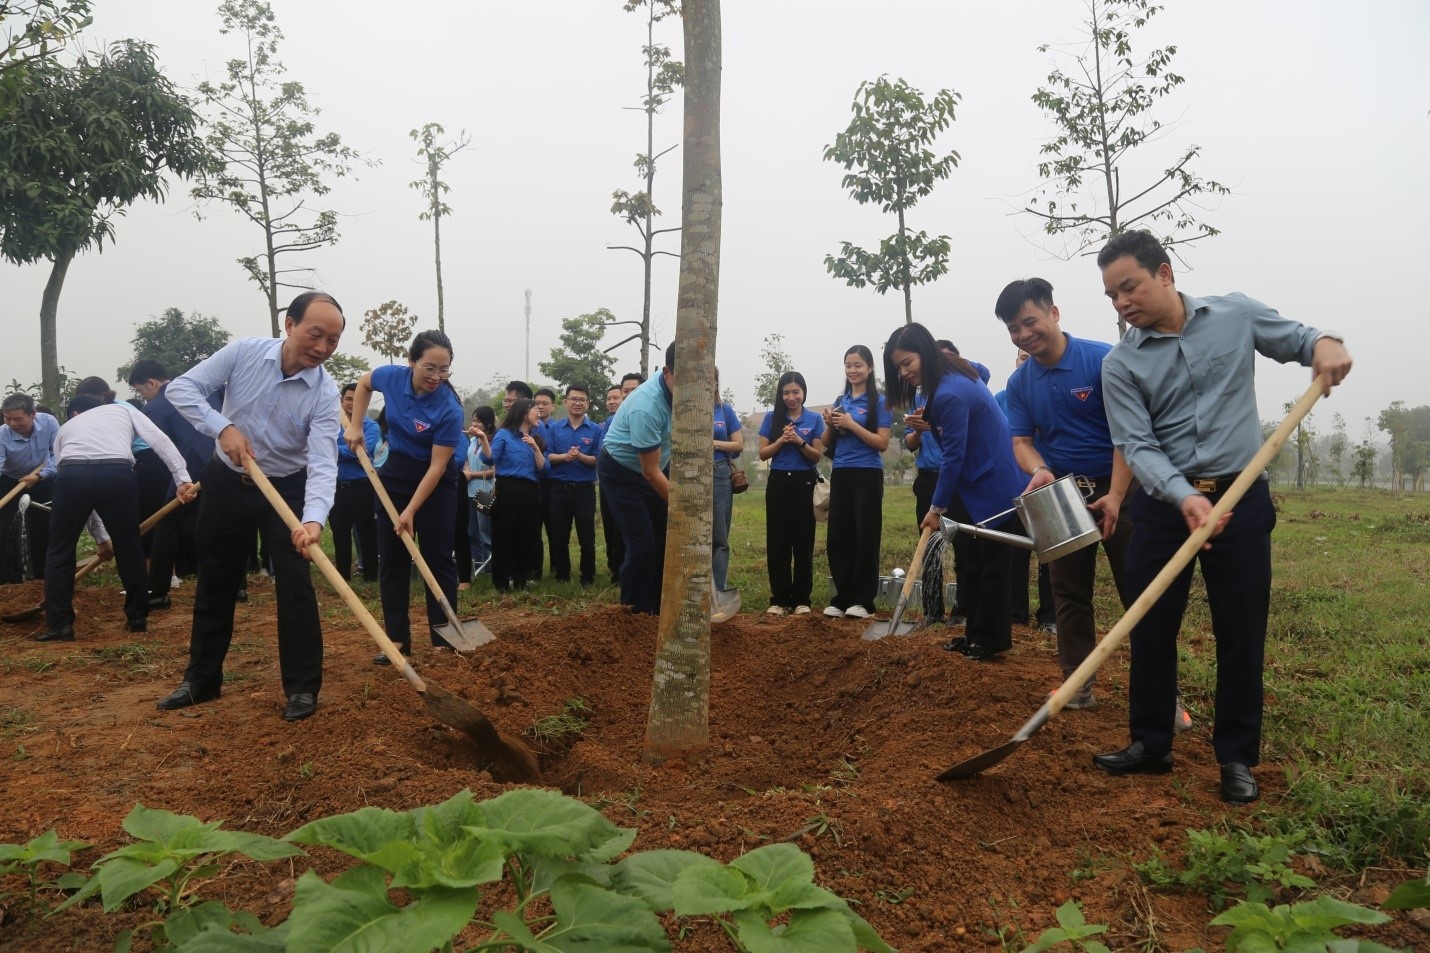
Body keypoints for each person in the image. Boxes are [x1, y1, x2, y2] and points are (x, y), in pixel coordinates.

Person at [1091, 229, 1352, 804]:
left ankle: (1237, 757)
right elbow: (1137, 445)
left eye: (1128, 287)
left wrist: (1325, 345)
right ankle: (1151, 742)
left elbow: (1301, 338)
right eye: (1111, 295)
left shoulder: (1235, 314)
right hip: (1164, 508)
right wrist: (1183, 496)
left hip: (1241, 497)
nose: (1121, 303)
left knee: (1240, 629)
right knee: (1150, 625)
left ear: (1164, 273)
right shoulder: (1120, 365)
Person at [155, 290, 346, 723]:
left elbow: (321, 463)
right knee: (216, 578)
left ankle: (301, 688)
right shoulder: (244, 353)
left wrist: (313, 520)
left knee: (295, 583)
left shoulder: (324, 394)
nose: (322, 348)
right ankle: (202, 679)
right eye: (315, 335)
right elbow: (182, 389)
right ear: (290, 325)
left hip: (287, 488)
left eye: (332, 342)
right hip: (226, 480)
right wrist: (222, 428)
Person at [995, 278, 1135, 709]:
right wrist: (1039, 469)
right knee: (1069, 596)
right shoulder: (1021, 383)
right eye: (1014, 329)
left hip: (1124, 491)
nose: (1023, 334)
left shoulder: (1102, 361)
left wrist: (1114, 493)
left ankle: (1163, 693)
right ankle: (1077, 686)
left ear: (1054, 313)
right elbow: (1021, 442)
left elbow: (1127, 435)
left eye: (1029, 321)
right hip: (1064, 495)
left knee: (1141, 592)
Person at [885, 323, 1026, 660]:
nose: (904, 372)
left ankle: (989, 642)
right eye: (898, 367)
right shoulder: (953, 374)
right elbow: (980, 370)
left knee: (991, 565)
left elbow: (954, 455)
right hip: (972, 482)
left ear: (926, 352)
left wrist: (936, 509)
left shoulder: (949, 392)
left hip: (993, 483)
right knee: (970, 561)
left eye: (907, 363)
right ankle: (972, 634)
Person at [36, 393, 195, 642]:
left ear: (76, 412)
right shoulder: (124, 410)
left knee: (60, 549)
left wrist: (100, 538)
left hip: (72, 474)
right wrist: (183, 479)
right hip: (116, 472)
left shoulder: (66, 427)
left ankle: (60, 626)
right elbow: (159, 440)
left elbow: (64, 468)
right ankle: (137, 617)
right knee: (128, 544)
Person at [347, 330, 465, 664]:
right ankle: (397, 639)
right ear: (411, 360)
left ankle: (444, 640)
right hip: (396, 473)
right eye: (429, 368)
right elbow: (363, 383)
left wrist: (410, 510)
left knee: (438, 557)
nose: (436, 377)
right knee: (392, 558)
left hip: (435, 481)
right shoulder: (392, 377)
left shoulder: (450, 409)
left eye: (444, 370)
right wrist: (356, 425)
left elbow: (438, 467)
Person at [127, 360, 221, 608]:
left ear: (151, 383)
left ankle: (157, 591)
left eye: (140, 390)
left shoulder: (155, 407)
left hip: (191, 470)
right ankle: (238, 587)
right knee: (223, 521)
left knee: (167, 523)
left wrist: (176, 481)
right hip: (222, 461)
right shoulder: (199, 390)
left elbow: (164, 450)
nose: (143, 396)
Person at [596, 345, 676, 615]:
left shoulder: (691, 395)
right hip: (620, 471)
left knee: (663, 542)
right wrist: (685, 509)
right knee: (642, 546)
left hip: (653, 466)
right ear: (667, 373)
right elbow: (649, 472)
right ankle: (632, 616)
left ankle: (655, 611)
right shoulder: (647, 406)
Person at [822, 345, 891, 619]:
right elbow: (826, 443)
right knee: (839, 536)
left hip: (868, 474)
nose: (853, 370)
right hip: (842, 472)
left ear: (870, 368)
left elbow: (882, 443)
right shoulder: (841, 399)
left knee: (865, 536)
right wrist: (831, 422)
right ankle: (843, 597)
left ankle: (863, 600)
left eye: (858, 365)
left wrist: (852, 424)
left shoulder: (880, 402)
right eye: (848, 365)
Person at [992, 350, 1059, 633]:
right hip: (1015, 485)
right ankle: (1015, 614)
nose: (1026, 361)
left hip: (1049, 484)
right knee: (1015, 553)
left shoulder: (1053, 393)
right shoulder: (1002, 399)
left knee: (1050, 553)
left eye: (1032, 357)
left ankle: (1049, 618)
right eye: (1021, 357)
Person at [757, 371, 824, 615]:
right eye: (786, 392)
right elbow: (763, 454)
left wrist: (799, 441)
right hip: (778, 483)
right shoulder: (772, 418)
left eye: (796, 392)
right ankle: (779, 599)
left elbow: (817, 455)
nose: (791, 397)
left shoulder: (815, 419)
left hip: (804, 483)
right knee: (778, 542)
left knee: (803, 542)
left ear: (804, 392)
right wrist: (782, 441)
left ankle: (802, 599)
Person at [481, 397, 546, 591]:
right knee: (503, 535)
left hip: (530, 491)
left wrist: (535, 447)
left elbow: (542, 468)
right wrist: (484, 439)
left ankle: (521, 581)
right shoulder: (504, 435)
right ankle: (501, 583)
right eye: (535, 409)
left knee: (527, 536)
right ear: (524, 413)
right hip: (507, 489)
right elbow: (489, 458)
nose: (539, 413)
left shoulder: (535, 437)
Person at [544, 384, 602, 585]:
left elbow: (597, 460)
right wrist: (565, 457)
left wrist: (580, 456)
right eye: (573, 399)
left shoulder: (595, 430)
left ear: (588, 404)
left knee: (587, 538)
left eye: (582, 400)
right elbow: (547, 456)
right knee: (560, 537)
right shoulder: (554, 428)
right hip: (559, 489)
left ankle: (587, 577)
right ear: (566, 401)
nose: (577, 403)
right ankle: (562, 576)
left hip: (585, 490)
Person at [0, 393, 59, 583]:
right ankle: (7, 581)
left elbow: (58, 454)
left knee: (44, 526)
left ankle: (43, 577)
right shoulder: (2, 434)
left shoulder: (49, 423)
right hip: (10, 482)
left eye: (18, 419)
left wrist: (41, 475)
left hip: (42, 479)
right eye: (7, 419)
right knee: (5, 527)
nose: (12, 424)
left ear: (32, 414)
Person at [330, 382, 380, 583]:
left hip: (362, 486)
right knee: (339, 533)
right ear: (342, 401)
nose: (352, 403)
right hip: (337, 487)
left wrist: (336, 450)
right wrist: (346, 448)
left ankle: (370, 576)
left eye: (357, 399)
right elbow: (324, 447)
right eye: (349, 399)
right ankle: (342, 577)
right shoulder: (330, 423)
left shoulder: (371, 427)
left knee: (367, 532)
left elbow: (361, 454)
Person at [712, 372, 744, 593]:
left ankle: (719, 589)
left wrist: (713, 443)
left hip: (720, 472)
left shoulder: (724, 410)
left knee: (720, 536)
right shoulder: (683, 407)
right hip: (690, 473)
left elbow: (738, 445)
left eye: (710, 378)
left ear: (715, 382)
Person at [597, 384, 626, 584]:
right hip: (608, 482)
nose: (612, 402)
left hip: (628, 482)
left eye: (616, 398)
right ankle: (615, 569)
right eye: (609, 398)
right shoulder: (607, 423)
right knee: (610, 527)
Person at [463, 405, 496, 576]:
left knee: (485, 532)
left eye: (479, 421)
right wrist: (466, 470)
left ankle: (492, 567)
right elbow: (468, 460)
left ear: (489, 424)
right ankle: (478, 566)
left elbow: (493, 470)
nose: (474, 424)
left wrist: (471, 474)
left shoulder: (492, 441)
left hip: (484, 491)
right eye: (473, 420)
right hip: (470, 491)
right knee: (472, 532)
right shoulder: (472, 440)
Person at [530, 387, 558, 581]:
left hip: (553, 484)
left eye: (544, 403)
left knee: (554, 528)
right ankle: (535, 571)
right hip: (534, 483)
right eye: (537, 403)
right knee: (534, 529)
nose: (540, 407)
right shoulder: (531, 427)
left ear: (553, 406)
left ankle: (556, 569)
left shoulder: (557, 428)